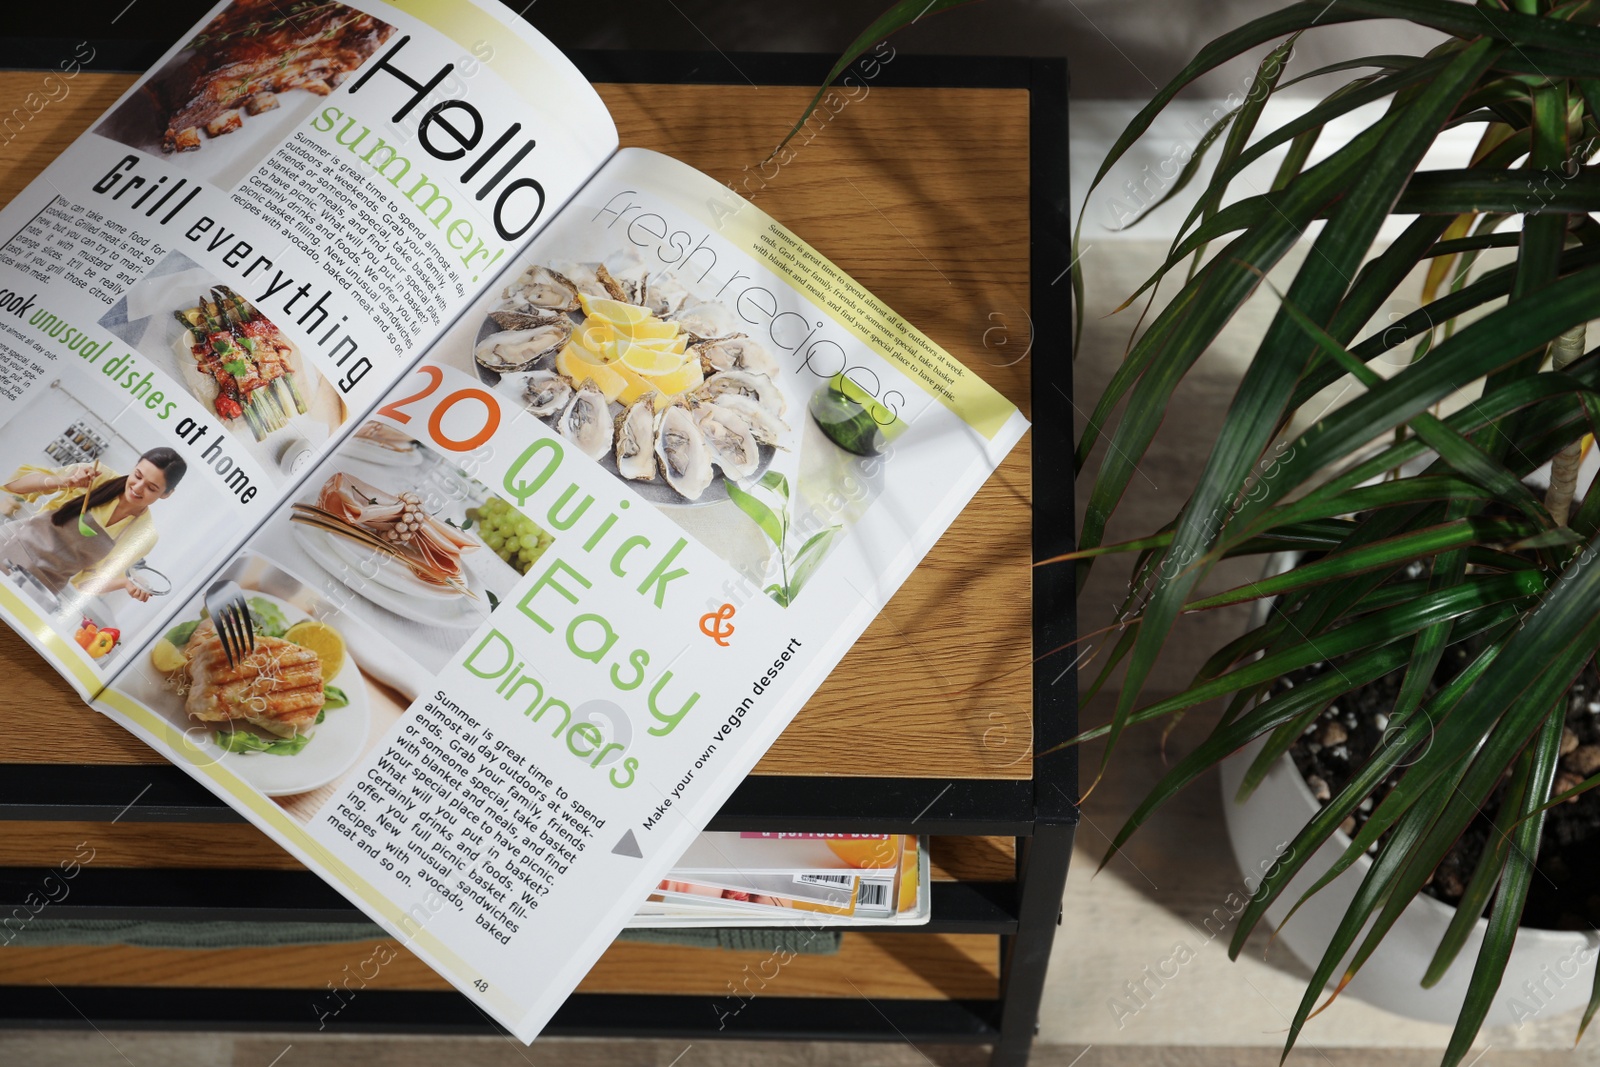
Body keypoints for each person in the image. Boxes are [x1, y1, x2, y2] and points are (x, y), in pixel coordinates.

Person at [0, 447, 188, 602]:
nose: (137, 488)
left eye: (151, 488)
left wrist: (124, 583)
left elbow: (85, 583)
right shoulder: (97, 476)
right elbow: (14, 485)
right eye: (138, 476)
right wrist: (64, 481)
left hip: (38, 589)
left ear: (166, 494)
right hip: (8, 547)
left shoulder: (144, 536)